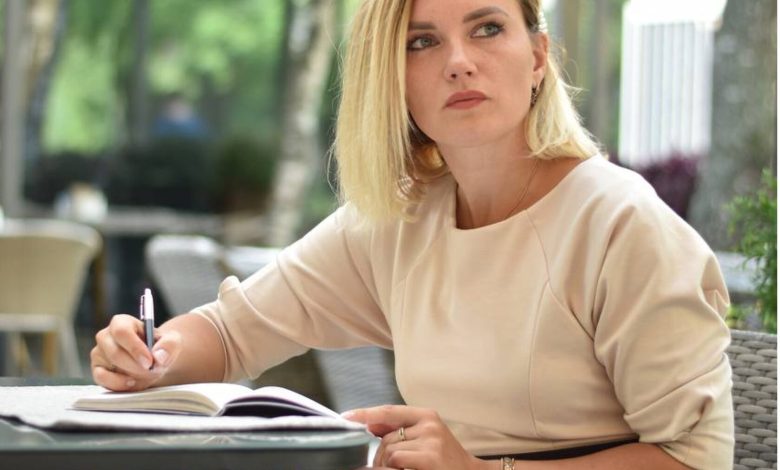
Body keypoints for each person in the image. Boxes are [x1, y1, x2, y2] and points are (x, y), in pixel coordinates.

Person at [91, 0, 734, 469]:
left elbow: (698, 458)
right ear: (392, 80)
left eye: (487, 28)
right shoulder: (400, 219)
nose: (459, 63)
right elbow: (233, 332)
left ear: (539, 57)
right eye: (422, 42)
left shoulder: (621, 225)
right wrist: (151, 356)